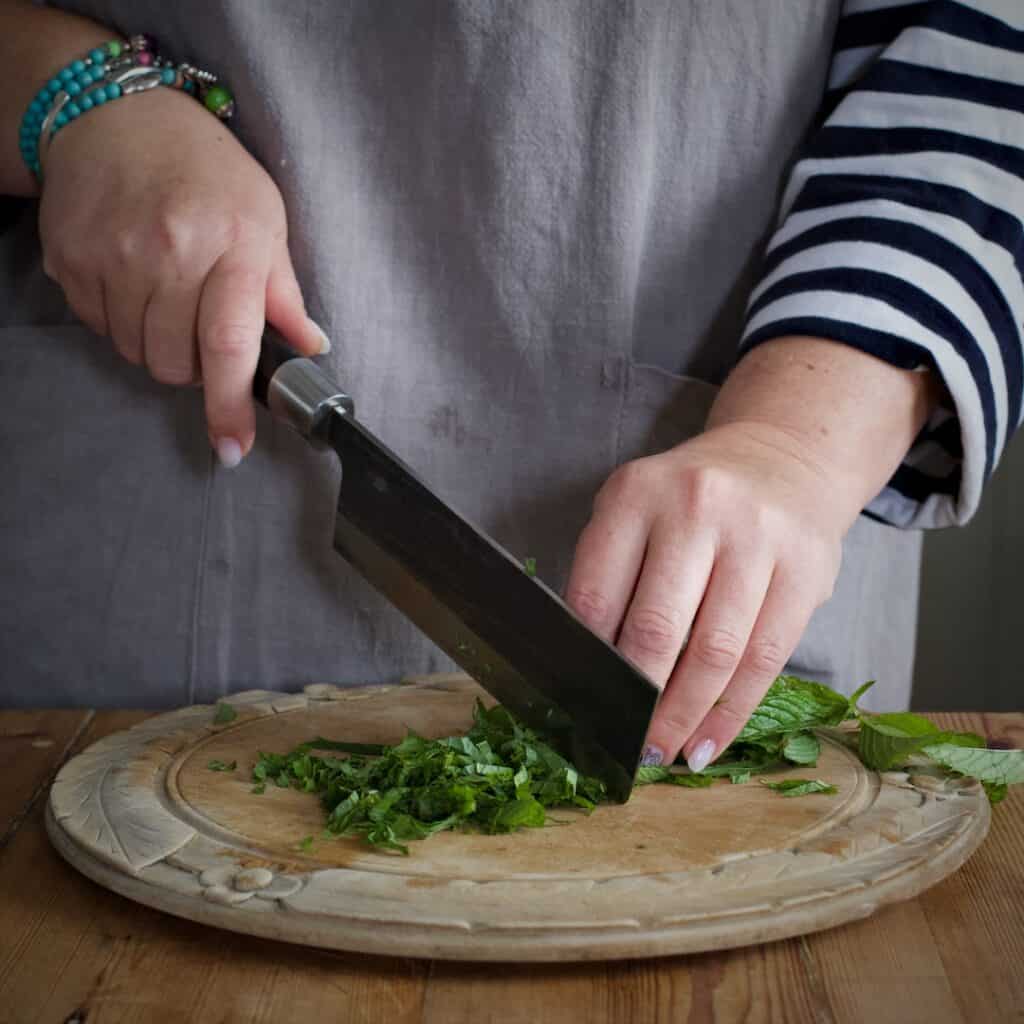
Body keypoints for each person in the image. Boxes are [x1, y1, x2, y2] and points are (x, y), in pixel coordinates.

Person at [1, 0, 1020, 775]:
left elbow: (979, 85)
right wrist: (68, 92)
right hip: (123, 539)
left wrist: (792, 447)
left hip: (759, 504)